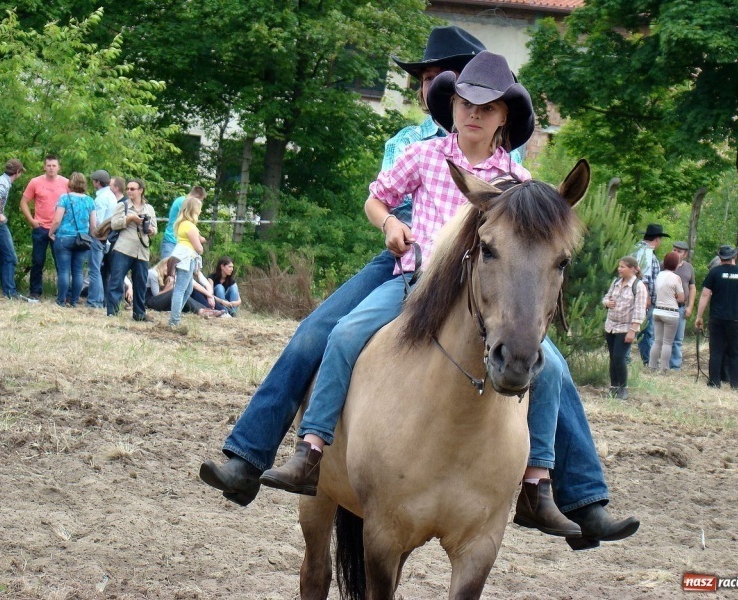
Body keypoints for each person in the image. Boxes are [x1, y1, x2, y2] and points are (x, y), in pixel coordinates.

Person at [200, 31, 637, 550]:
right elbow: (377, 199)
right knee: (339, 332)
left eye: (487, 107)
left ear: (504, 118)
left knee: (555, 370)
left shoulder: (517, 181)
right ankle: (297, 453)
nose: (473, 113)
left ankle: (557, 492)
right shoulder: (425, 155)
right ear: (450, 106)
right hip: (413, 279)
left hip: (480, 295)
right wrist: (388, 224)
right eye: (464, 103)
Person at [694, 245, 738, 389]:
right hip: (736, 319)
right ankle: (736, 383)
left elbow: (705, 295)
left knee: (716, 351)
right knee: (735, 352)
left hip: (717, 318)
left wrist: (699, 316)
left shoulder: (714, 273)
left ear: (720, 258)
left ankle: (714, 382)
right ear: (734, 257)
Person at [18, 155, 69, 299]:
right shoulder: (35, 182)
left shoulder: (66, 183)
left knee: (61, 262)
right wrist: (31, 221)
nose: (51, 168)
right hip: (40, 227)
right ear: (44, 166)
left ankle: (64, 293)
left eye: (54, 165)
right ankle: (35, 292)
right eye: (48, 165)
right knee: (37, 261)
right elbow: (23, 203)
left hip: (59, 228)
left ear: (59, 167)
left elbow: (72, 203)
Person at [105, 178, 157, 321]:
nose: (129, 191)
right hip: (124, 249)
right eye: (127, 189)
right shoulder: (123, 206)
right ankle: (113, 313)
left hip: (142, 251)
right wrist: (130, 219)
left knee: (140, 284)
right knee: (116, 282)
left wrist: (150, 229)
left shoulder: (149, 209)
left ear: (141, 190)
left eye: (132, 189)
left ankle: (139, 314)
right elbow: (114, 224)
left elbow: (155, 229)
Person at [48, 173, 97, 307]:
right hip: (82, 239)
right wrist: (91, 237)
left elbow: (57, 220)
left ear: (71, 183)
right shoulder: (90, 201)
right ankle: (74, 300)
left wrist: (51, 232)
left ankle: (61, 300)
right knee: (78, 271)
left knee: (64, 270)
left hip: (64, 237)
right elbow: (93, 224)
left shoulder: (65, 198)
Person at [603, 256, 648, 399]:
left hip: (625, 328)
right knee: (612, 357)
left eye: (622, 267)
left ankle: (623, 387)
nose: (619, 269)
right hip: (611, 326)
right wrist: (606, 303)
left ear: (632, 269)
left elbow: (640, 311)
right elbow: (606, 297)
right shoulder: (616, 282)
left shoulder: (638, 286)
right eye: (619, 266)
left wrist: (632, 330)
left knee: (619, 357)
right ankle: (613, 386)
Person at [0, 159, 29, 300]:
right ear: (17, 172)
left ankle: (6, 291)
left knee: (1, 257)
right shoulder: (4, 183)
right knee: (10, 257)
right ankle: (10, 292)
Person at [633, 224, 670, 364]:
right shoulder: (646, 252)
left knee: (643, 329)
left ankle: (647, 360)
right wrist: (647, 298)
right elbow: (645, 277)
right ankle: (648, 361)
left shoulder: (637, 248)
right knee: (646, 331)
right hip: (643, 297)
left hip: (637, 295)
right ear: (657, 239)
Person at [168, 195, 205, 329]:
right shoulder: (190, 226)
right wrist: (200, 243)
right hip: (187, 258)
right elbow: (198, 248)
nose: (200, 211)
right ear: (194, 210)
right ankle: (174, 319)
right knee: (180, 290)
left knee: (187, 289)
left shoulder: (181, 224)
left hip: (180, 256)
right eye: (199, 209)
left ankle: (175, 314)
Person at [145, 257, 224, 317]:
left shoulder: (168, 276)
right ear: (163, 265)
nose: (170, 270)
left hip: (160, 301)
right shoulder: (153, 273)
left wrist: (209, 295)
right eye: (167, 266)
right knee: (175, 293)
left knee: (182, 294)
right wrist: (169, 287)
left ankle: (206, 309)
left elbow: (194, 284)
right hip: (150, 301)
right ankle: (202, 311)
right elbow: (156, 295)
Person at [648, 251, 685, 371]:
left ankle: (652, 365)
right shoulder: (676, 278)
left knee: (657, 341)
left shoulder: (659, 275)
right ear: (676, 264)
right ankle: (664, 367)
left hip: (658, 310)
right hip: (670, 311)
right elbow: (681, 298)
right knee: (667, 342)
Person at [86, 169, 117, 308]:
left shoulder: (101, 198)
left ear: (97, 182)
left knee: (94, 270)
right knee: (99, 270)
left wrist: (92, 232)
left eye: (94, 180)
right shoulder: (111, 196)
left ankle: (95, 301)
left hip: (99, 237)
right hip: (107, 238)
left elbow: (98, 220)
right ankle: (100, 300)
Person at [669, 241, 696, 370]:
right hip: (665, 306)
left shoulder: (689, 268)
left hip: (681, 307)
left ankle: (675, 366)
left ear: (684, 254)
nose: (675, 253)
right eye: (674, 250)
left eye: (679, 251)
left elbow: (692, 288)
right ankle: (661, 363)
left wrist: (690, 306)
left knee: (678, 339)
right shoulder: (664, 265)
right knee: (663, 338)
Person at [161, 186, 207, 260]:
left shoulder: (182, 200)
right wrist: (198, 237)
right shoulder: (184, 202)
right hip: (172, 240)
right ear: (197, 197)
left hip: (180, 242)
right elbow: (187, 226)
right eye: (200, 200)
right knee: (166, 268)